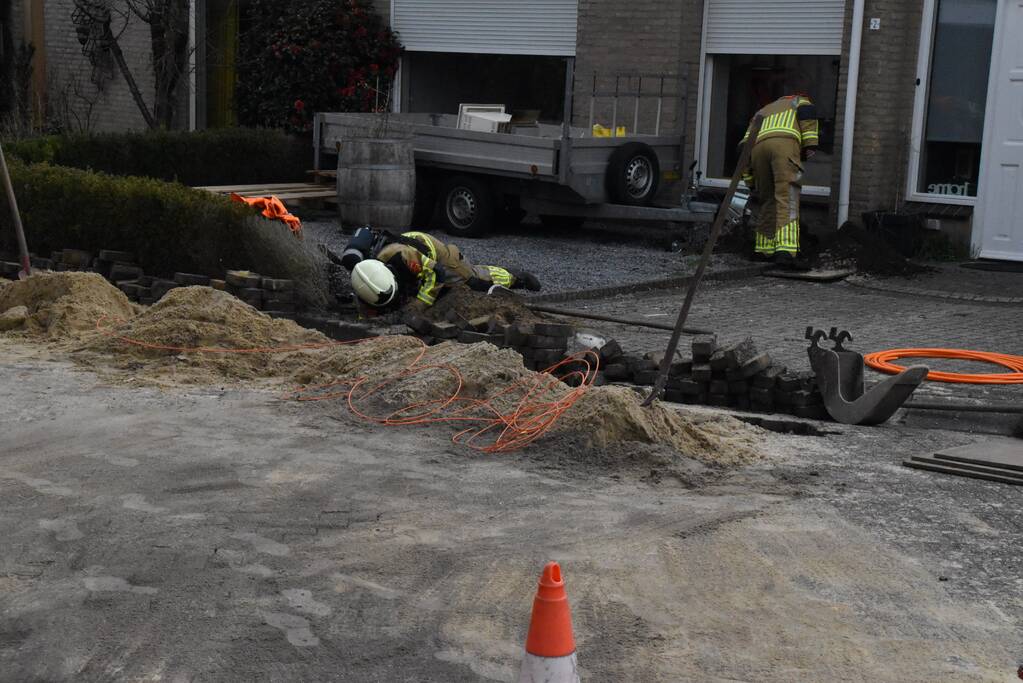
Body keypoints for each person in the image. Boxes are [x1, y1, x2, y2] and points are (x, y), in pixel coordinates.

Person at [336, 228, 541, 312]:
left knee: (472, 280)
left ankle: (514, 277)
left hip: (435, 253)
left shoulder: (406, 259)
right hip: (402, 253)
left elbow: (437, 274)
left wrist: (419, 304)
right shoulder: (364, 274)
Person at [740, 85, 820, 268]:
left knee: (767, 199)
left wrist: (750, 179)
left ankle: (763, 249)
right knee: (787, 197)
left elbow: (745, 146)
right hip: (784, 145)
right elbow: (808, 114)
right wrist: (810, 145)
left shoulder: (765, 109)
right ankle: (786, 251)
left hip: (758, 149)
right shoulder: (800, 101)